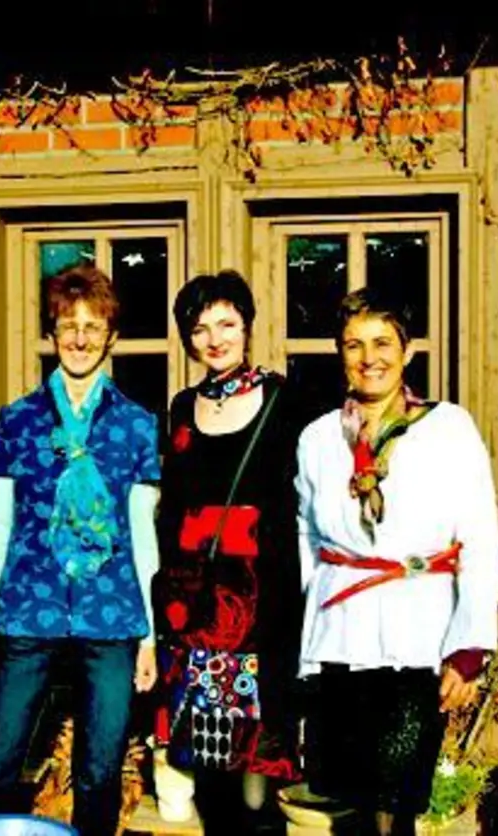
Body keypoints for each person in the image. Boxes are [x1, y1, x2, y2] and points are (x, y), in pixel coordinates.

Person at [0, 262, 162, 836]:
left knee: (98, 771)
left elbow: (142, 534)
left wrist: (149, 634)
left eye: (93, 326)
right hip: (28, 609)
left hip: (112, 614)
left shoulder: (135, 425)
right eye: (68, 324)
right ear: (52, 333)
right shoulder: (18, 420)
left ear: (111, 337)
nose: (79, 338)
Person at [292, 287, 498, 836]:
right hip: (341, 640)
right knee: (350, 805)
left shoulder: (447, 428)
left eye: (383, 342)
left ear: (407, 351)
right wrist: (314, 618)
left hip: (418, 641)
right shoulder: (318, 438)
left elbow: (480, 536)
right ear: (340, 354)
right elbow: (307, 534)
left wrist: (470, 645)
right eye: (354, 344)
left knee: (394, 808)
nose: (370, 358)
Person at [152, 270, 307, 832]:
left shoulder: (286, 400)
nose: (215, 339)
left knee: (260, 770)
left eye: (227, 324)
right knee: (211, 762)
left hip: (264, 604)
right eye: (200, 328)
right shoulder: (181, 406)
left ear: (247, 326)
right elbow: (170, 507)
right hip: (196, 610)